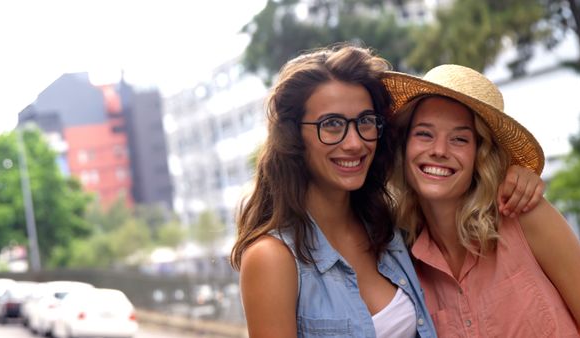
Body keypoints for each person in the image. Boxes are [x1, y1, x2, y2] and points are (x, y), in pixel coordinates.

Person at [230, 44, 543, 338]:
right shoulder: (272, 258)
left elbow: (456, 194)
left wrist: (512, 176)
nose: (354, 143)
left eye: (365, 121)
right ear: (294, 137)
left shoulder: (391, 228)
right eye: (332, 124)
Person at [385, 64, 580, 337]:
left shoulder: (525, 216)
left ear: (480, 154)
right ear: (404, 144)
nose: (439, 151)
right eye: (424, 133)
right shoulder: (401, 258)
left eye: (460, 139)